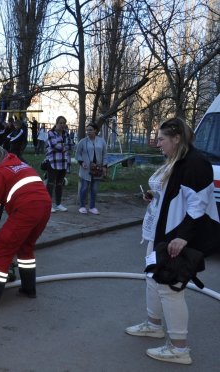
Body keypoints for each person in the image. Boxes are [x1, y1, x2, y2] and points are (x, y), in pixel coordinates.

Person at [125, 117, 220, 365]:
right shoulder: (176, 161)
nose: (159, 144)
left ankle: (179, 349)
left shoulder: (196, 163)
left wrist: (182, 237)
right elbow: (173, 194)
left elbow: (198, 206)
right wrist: (153, 196)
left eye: (162, 139)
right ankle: (154, 325)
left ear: (176, 139)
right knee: (152, 280)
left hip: (175, 236)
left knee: (169, 288)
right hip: (160, 233)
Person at [0, 145, 51, 310]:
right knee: (26, 248)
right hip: (45, 207)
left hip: (26, 210)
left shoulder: (0, 173)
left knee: (2, 252)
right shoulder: (20, 164)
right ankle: (29, 289)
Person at [75, 123, 107, 215]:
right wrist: (82, 162)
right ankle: (82, 206)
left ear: (95, 130)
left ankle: (92, 207)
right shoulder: (83, 141)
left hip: (97, 169)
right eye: (87, 130)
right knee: (84, 188)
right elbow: (77, 154)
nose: (88, 132)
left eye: (90, 130)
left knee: (94, 189)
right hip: (86, 169)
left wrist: (105, 166)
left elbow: (105, 154)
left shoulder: (101, 141)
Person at [45, 116, 73, 213]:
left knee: (60, 183)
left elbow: (71, 144)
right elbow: (54, 145)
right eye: (60, 123)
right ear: (56, 123)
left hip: (64, 162)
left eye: (63, 123)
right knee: (50, 183)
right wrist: (64, 147)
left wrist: (63, 147)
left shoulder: (66, 134)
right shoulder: (50, 133)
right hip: (53, 162)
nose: (62, 125)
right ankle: (48, 205)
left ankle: (58, 204)